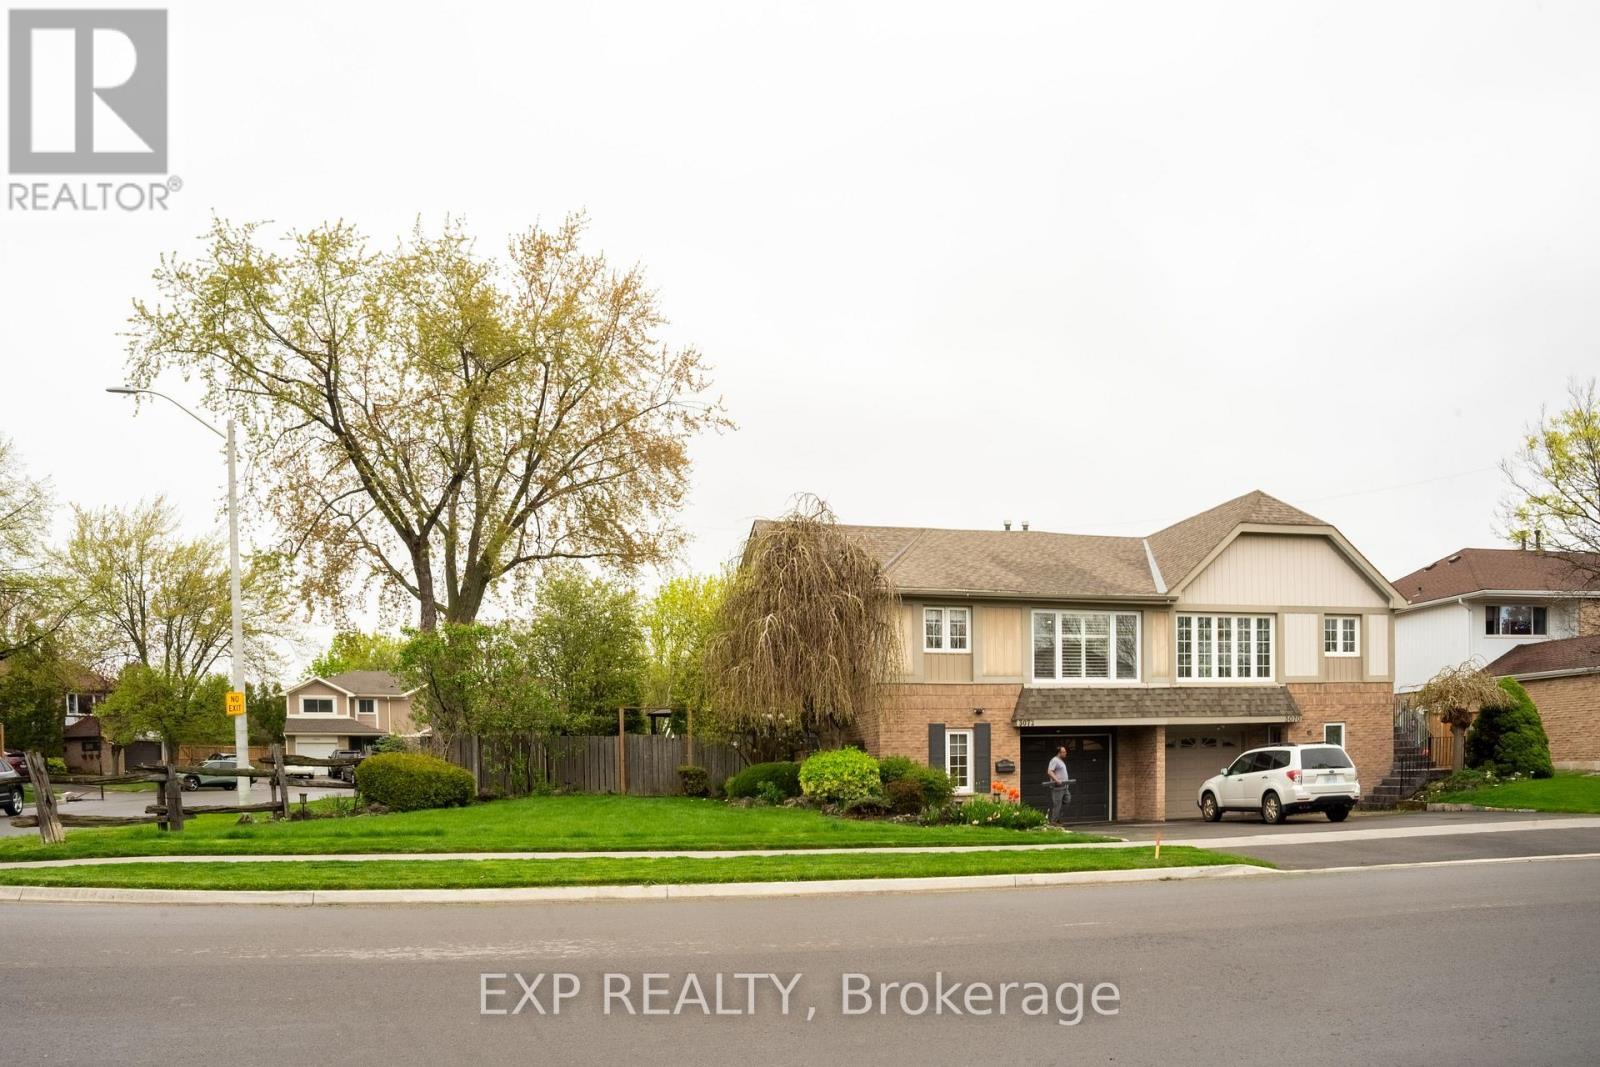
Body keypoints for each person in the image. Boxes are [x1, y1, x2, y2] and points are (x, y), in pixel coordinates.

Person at [1047, 744, 1071, 823]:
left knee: (1067, 800)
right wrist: (1056, 780)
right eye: (1064, 752)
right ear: (1059, 753)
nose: (1065, 753)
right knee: (1057, 805)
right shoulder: (1054, 760)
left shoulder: (1061, 761)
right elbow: (1050, 771)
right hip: (1058, 787)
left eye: (1065, 752)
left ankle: (1058, 818)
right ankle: (1053, 822)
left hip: (1064, 787)